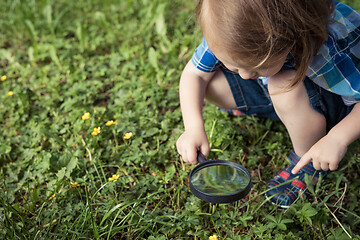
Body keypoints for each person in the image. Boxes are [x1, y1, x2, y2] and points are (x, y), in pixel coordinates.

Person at [176, 0, 360, 208]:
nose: (245, 76)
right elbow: (195, 76)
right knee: (211, 85)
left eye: (256, 68)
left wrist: (337, 138)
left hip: (333, 100)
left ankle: (307, 160)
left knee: (282, 84)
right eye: (236, 68)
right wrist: (193, 127)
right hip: (277, 89)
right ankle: (283, 110)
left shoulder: (329, 47)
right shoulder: (227, 27)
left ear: (289, 39)